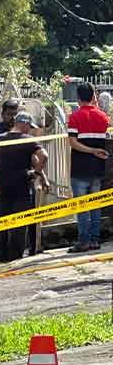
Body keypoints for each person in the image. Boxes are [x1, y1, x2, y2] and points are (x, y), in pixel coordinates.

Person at [0, 112, 49, 261]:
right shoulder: (28, 141)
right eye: (29, 127)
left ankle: (2, 257)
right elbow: (44, 156)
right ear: (24, 124)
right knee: (20, 225)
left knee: (2, 224)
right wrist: (36, 173)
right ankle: (14, 258)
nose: (29, 130)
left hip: (2, 187)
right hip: (23, 187)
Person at [67, 83, 110, 252]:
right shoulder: (103, 117)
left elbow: (72, 142)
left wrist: (91, 150)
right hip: (98, 168)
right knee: (95, 205)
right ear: (93, 96)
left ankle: (83, 241)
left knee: (82, 207)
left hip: (79, 169)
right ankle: (94, 240)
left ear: (77, 98)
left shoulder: (75, 117)